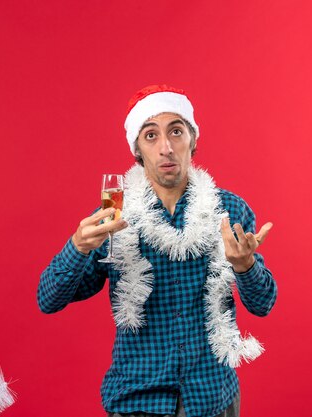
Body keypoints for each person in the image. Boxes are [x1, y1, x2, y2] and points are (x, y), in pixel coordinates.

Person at [37, 85, 277, 417]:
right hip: (138, 402)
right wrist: (77, 247)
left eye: (176, 131)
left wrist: (245, 265)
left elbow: (263, 304)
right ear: (137, 149)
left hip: (213, 400)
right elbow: (48, 301)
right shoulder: (113, 215)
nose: (166, 147)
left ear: (192, 140)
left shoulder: (230, 210)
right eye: (151, 136)